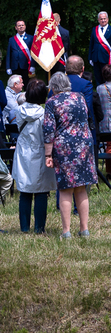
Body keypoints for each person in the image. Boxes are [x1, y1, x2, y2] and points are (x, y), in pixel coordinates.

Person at [43, 72, 99, 239]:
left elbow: (48, 130)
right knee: (81, 188)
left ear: (53, 88)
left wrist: (48, 154)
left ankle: (66, 231)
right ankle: (84, 229)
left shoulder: (52, 102)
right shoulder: (80, 97)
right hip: (84, 144)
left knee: (66, 189)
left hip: (64, 147)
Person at [14, 79, 57, 234]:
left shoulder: (19, 111)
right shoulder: (46, 113)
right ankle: (39, 228)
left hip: (23, 152)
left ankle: (24, 228)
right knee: (41, 192)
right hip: (40, 152)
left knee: (24, 191)